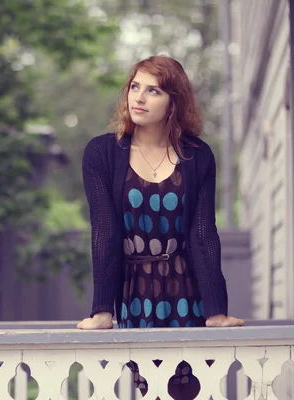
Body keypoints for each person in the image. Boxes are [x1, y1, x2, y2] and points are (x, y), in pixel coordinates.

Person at [76, 55, 244, 398]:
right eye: (134, 87)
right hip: (134, 295)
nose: (138, 98)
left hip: (186, 295)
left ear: (173, 103)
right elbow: (104, 232)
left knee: (188, 387)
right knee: (140, 386)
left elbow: (202, 235)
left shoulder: (198, 156)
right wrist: (102, 310)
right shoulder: (102, 153)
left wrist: (215, 311)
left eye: (153, 91)